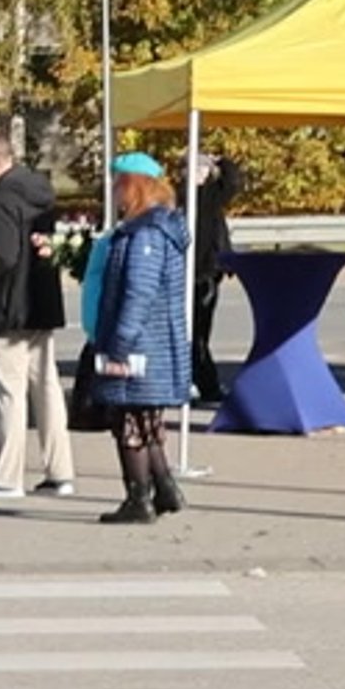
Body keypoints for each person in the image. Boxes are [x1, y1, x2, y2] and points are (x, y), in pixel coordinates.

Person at [0, 129, 76, 500]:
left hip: (4, 308)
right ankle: (60, 471)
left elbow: (2, 256)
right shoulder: (41, 191)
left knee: (7, 393)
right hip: (40, 302)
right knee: (47, 390)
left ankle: (8, 476)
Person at [92, 152, 191, 525]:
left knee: (128, 421)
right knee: (146, 419)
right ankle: (164, 489)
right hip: (154, 344)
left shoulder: (145, 235)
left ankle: (138, 499)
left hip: (141, 345)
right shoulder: (156, 229)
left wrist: (119, 343)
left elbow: (139, 292)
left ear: (134, 186)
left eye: (118, 183)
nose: (114, 192)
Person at [190, 154, 244, 404]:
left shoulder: (212, 194)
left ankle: (205, 383)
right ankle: (202, 383)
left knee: (199, 332)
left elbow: (233, 181)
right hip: (187, 271)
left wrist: (220, 161)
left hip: (206, 271)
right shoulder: (180, 196)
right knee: (191, 333)